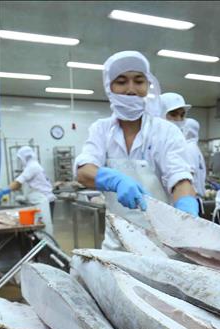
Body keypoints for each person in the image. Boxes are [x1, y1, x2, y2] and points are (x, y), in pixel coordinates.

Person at [75, 50, 197, 249]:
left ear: (148, 86)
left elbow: (179, 178)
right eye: (121, 81)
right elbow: (83, 171)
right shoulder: (101, 129)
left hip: (162, 245)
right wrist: (115, 180)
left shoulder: (165, 131)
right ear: (109, 86)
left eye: (139, 81)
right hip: (118, 244)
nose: (131, 89)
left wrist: (186, 210)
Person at [0, 146, 56, 236]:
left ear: (24, 157)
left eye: (20, 158)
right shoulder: (32, 166)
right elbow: (20, 185)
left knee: (44, 227)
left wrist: (3, 192)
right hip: (41, 200)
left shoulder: (32, 167)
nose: (20, 161)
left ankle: (47, 243)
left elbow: (17, 183)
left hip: (44, 201)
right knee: (40, 227)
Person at [184, 118, 206, 215]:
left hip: (190, 201)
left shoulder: (187, 148)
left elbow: (189, 175)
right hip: (195, 200)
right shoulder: (195, 148)